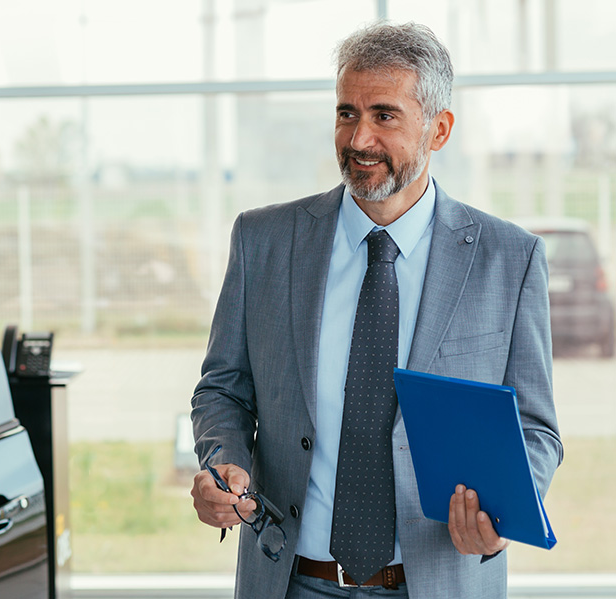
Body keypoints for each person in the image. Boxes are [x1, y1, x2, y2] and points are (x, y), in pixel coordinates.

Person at [190, 21, 562, 599]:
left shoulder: (509, 259)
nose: (359, 139)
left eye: (384, 115)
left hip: (436, 582)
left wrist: (497, 520)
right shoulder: (263, 240)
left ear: (438, 129)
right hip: (290, 581)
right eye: (346, 113)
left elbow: (536, 430)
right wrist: (224, 462)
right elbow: (223, 388)